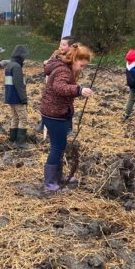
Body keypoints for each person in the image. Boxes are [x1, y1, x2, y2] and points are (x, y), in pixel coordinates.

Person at [40, 43, 93, 192]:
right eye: (81, 66)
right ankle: (50, 183)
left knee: (60, 146)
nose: (82, 69)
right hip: (55, 114)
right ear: (74, 59)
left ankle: (58, 177)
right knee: (57, 148)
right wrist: (79, 90)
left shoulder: (64, 68)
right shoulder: (64, 71)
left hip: (54, 112)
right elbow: (60, 87)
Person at [36, 36, 75, 134]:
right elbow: (49, 66)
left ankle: (69, 127)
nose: (61, 46)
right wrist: (46, 63)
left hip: (66, 81)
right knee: (48, 99)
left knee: (67, 103)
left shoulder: (72, 56)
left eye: (63, 45)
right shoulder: (56, 54)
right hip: (54, 80)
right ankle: (44, 121)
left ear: (70, 47)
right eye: (60, 44)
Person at [4, 45, 29, 148]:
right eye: (24, 56)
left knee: (15, 117)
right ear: (20, 56)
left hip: (10, 97)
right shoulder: (17, 67)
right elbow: (19, 85)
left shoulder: (9, 65)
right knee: (23, 118)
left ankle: (13, 139)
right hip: (17, 98)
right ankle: (20, 142)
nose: (25, 58)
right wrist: (24, 99)